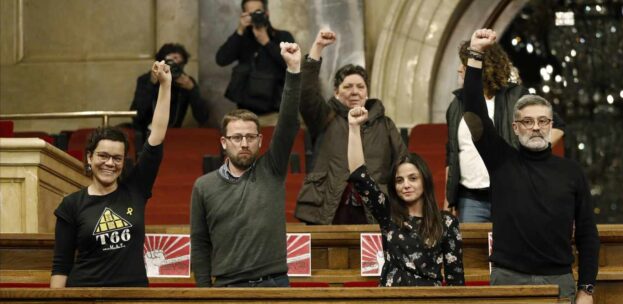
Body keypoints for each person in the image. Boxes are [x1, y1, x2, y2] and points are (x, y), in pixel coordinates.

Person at [462, 29, 600, 304]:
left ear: (551, 125)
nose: (535, 127)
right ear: (515, 128)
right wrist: (475, 54)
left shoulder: (572, 171)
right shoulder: (501, 161)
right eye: (527, 121)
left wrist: (586, 288)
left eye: (542, 121)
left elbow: (588, 233)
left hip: (560, 282)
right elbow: (474, 112)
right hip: (508, 280)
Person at [51, 61, 173, 288]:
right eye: (103, 156)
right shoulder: (71, 205)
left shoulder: (135, 189)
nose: (110, 163)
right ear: (89, 158)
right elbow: (61, 265)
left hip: (133, 298)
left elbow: (156, 137)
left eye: (117, 158)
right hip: (84, 299)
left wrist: (165, 86)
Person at [190, 42, 301, 288]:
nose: (243, 143)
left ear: (260, 141)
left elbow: (289, 123)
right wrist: (204, 293)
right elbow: (199, 242)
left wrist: (293, 71)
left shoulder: (272, 169)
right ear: (223, 142)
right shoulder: (204, 186)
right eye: (236, 137)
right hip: (227, 287)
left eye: (250, 137)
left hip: (274, 284)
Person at [295, 29, 407, 225]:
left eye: (360, 86)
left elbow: (402, 163)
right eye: (348, 87)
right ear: (336, 92)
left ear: (367, 92)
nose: (355, 91)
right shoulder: (324, 117)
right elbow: (305, 93)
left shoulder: (385, 124)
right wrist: (317, 47)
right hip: (330, 208)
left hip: (374, 209)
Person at [445, 41, 566, 222]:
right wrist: (448, 199)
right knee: (473, 250)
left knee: (514, 247)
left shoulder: (516, 96)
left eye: (465, 62)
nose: (460, 69)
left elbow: (557, 126)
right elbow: (452, 154)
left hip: (512, 193)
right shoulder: (456, 104)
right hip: (470, 199)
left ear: (483, 66)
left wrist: (532, 153)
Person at [347, 106, 465, 286]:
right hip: (391, 302)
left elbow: (455, 279)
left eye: (413, 178)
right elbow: (359, 176)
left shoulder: (447, 223)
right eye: (399, 180)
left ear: (424, 181)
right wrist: (354, 128)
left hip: (430, 300)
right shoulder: (388, 214)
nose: (406, 185)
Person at [216, 0, 294, 120]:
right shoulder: (242, 38)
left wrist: (266, 42)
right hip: (244, 113)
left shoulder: (282, 36)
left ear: (266, 13)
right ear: (244, 15)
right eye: (250, 13)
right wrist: (239, 30)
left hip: (275, 114)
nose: (255, 16)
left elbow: (292, 64)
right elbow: (221, 60)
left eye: (258, 12)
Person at [130, 43, 209, 138]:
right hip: (146, 133)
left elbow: (203, 118)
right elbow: (137, 116)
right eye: (169, 64)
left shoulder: (186, 82)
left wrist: (192, 90)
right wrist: (151, 84)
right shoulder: (146, 80)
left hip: (173, 134)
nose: (172, 69)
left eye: (178, 65)